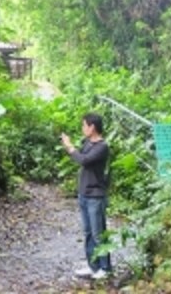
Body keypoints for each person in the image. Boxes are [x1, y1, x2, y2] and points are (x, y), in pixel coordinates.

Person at [61, 112, 112, 280]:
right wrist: (72, 148)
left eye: (84, 125)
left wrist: (69, 147)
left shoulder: (102, 147)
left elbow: (84, 160)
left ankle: (105, 267)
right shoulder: (87, 143)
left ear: (92, 127)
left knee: (99, 233)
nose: (83, 129)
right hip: (84, 194)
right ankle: (93, 265)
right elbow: (81, 157)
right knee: (88, 232)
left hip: (95, 196)